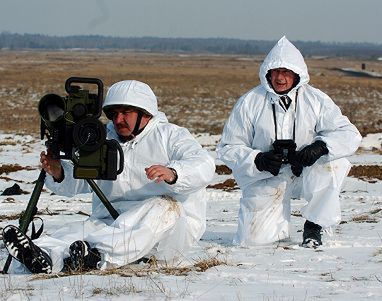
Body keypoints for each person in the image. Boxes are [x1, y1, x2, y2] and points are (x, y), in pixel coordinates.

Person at [3, 80, 215, 273]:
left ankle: (97, 257)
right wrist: (58, 172)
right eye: (114, 114)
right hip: (112, 220)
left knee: (163, 208)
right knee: (76, 231)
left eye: (126, 113)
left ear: (145, 113)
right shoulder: (102, 136)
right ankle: (44, 256)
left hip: (168, 230)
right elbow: (82, 181)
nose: (118, 119)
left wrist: (174, 173)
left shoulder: (170, 136)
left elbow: (204, 164)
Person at [216, 36, 362, 248]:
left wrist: (320, 147)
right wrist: (258, 159)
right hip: (266, 176)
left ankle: (314, 225)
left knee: (334, 164)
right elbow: (227, 147)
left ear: (297, 74)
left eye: (285, 72)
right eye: (275, 72)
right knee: (254, 242)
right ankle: (272, 227)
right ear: (267, 73)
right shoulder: (250, 102)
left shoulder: (316, 99)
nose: (280, 78)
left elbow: (349, 134)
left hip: (305, 172)